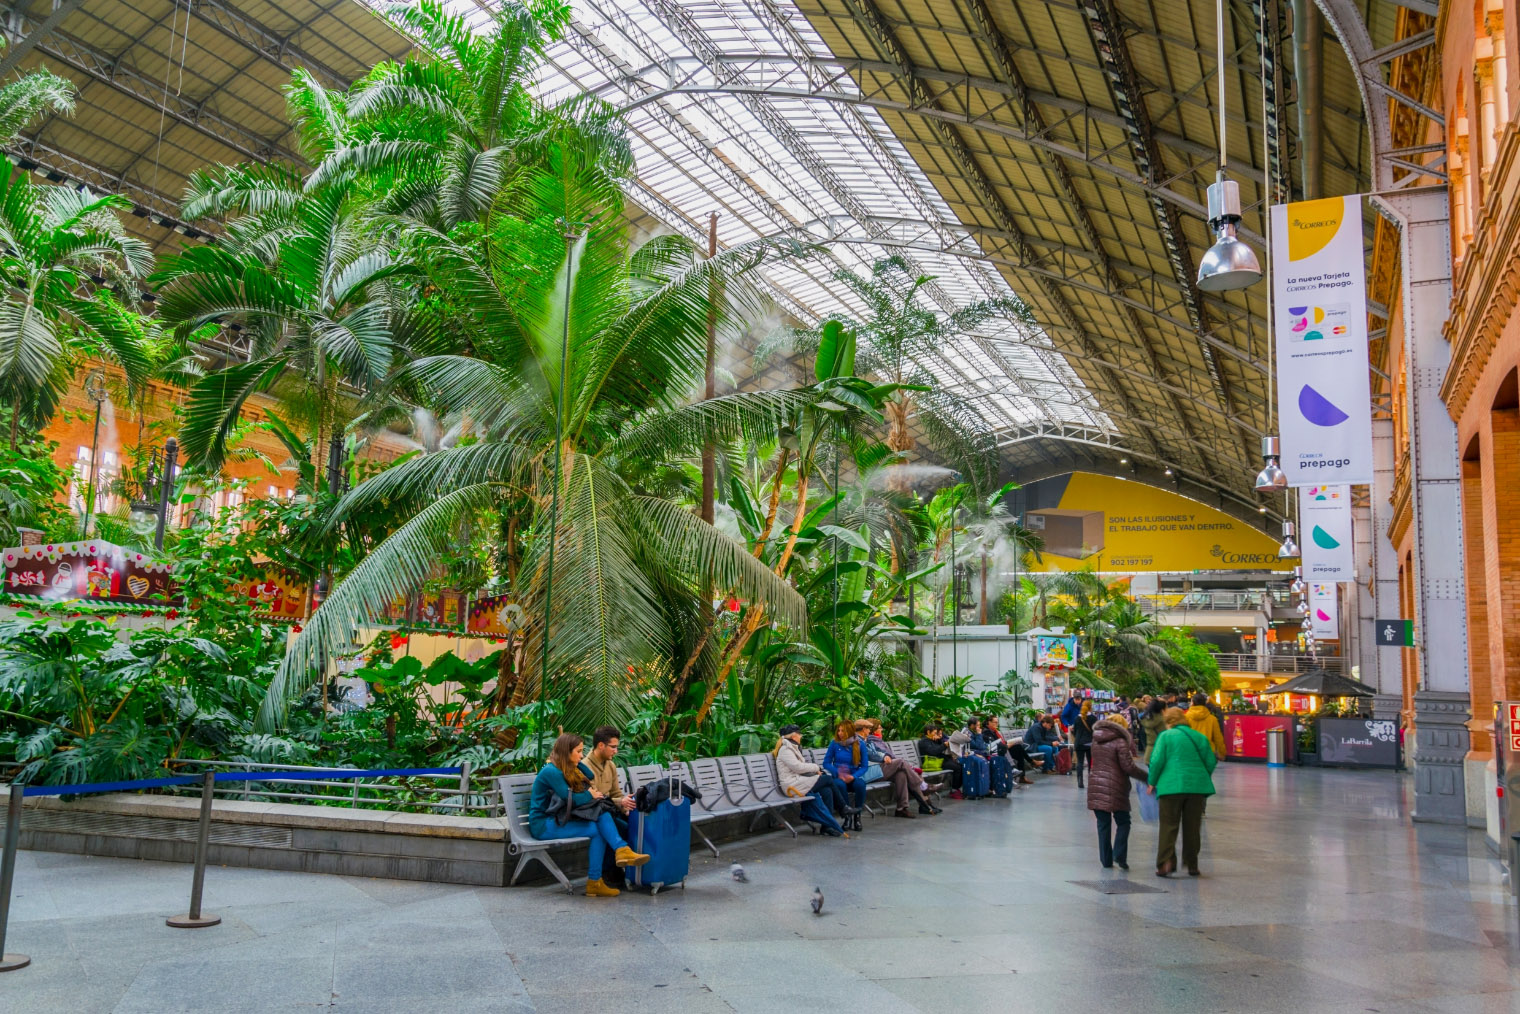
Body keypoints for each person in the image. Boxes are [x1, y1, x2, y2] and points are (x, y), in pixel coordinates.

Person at [529, 733, 648, 898]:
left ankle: (597, 880)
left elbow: (589, 775)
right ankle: (618, 853)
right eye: (578, 751)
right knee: (599, 814)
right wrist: (590, 795)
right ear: (566, 752)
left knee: (599, 822)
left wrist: (575, 762)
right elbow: (570, 799)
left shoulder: (565, 767)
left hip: (557, 819)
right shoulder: (551, 771)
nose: (582, 755)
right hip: (543, 825)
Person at [1147, 707, 1218, 877]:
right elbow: (1210, 761)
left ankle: (1165, 862)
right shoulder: (1199, 737)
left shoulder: (1166, 736)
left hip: (1171, 786)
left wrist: (1152, 781)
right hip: (1196, 787)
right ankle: (1192, 864)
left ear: (1169, 721)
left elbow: (1156, 761)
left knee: (1168, 826)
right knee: (1193, 827)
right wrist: (1201, 776)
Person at [1086, 712, 1147, 870]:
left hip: (1096, 784)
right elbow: (1128, 767)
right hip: (1116, 785)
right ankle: (1119, 854)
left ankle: (1106, 860)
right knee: (1123, 821)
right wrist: (1146, 777)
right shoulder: (1120, 741)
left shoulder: (1095, 739)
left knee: (1103, 824)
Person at [584, 725, 637, 887]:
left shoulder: (611, 766)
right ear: (601, 745)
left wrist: (624, 804)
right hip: (593, 813)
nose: (615, 751)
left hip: (610, 810)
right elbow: (594, 798)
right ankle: (609, 871)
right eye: (613, 747)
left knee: (635, 824)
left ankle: (627, 870)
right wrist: (619, 802)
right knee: (621, 828)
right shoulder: (585, 767)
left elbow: (615, 794)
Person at [774, 724, 851, 836]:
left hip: (798, 781)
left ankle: (827, 827)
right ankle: (843, 807)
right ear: (794, 735)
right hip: (791, 786)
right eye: (800, 734)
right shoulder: (786, 750)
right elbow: (798, 767)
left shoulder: (792, 747)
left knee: (827, 791)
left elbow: (799, 768)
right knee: (828, 779)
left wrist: (815, 772)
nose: (801, 737)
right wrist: (816, 768)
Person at [858, 719, 940, 816]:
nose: (869, 731)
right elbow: (870, 754)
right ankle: (923, 786)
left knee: (901, 775)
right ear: (864, 729)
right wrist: (884, 757)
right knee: (901, 762)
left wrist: (884, 755)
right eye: (868, 729)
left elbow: (877, 751)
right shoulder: (858, 741)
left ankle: (901, 808)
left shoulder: (867, 740)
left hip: (877, 770)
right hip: (867, 773)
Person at [823, 719, 870, 829]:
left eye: (843, 731)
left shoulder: (860, 744)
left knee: (860, 785)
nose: (840, 733)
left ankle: (857, 817)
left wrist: (853, 776)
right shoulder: (834, 743)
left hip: (853, 776)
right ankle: (847, 816)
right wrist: (837, 772)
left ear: (849, 731)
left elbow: (864, 766)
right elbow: (826, 763)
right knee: (839, 784)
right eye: (839, 730)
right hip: (839, 776)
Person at [947, 718, 992, 797]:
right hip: (964, 756)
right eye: (977, 725)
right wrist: (979, 734)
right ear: (972, 725)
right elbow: (978, 746)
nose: (979, 727)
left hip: (970, 754)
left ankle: (985, 787)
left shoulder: (972, 732)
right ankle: (980, 787)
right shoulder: (967, 733)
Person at [983, 716, 1033, 786]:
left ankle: (1022, 776)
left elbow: (1000, 742)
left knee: (1018, 749)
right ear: (989, 723)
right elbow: (993, 744)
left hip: (1001, 748)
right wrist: (1006, 745)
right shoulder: (986, 732)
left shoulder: (994, 731)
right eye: (995, 722)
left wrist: (1008, 743)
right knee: (1007, 749)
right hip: (995, 751)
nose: (997, 724)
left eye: (997, 722)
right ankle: (1016, 769)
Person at [918, 724, 965, 797]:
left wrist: (939, 739)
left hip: (939, 761)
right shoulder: (924, 742)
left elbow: (939, 747)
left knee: (960, 765)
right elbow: (934, 752)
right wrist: (944, 745)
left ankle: (956, 788)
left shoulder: (932, 740)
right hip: (932, 763)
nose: (935, 734)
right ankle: (954, 789)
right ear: (928, 732)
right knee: (958, 768)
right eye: (934, 732)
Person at [1185, 692, 1227, 759]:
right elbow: (1218, 738)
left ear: (1192, 703)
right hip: (1208, 751)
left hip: (1190, 751)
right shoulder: (1212, 719)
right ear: (1205, 703)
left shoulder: (1185, 717)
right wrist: (1222, 752)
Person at [1071, 699, 1097, 788]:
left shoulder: (1077, 718)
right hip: (1090, 743)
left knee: (1080, 762)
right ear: (1090, 707)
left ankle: (1080, 781)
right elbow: (1095, 731)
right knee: (1090, 762)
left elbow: (1075, 732)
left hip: (1079, 743)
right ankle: (1091, 780)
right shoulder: (1093, 718)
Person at [1139, 698, 1167, 762]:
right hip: (1161, 751)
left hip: (1149, 752)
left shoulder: (1146, 720)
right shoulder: (1162, 721)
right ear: (1162, 710)